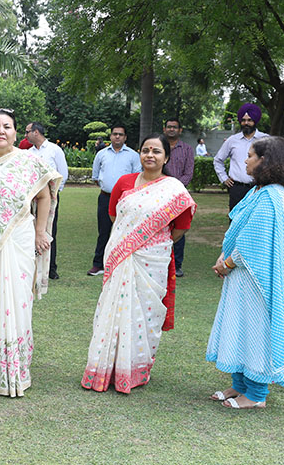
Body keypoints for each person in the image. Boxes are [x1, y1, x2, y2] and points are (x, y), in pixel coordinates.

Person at [81, 135, 196, 393]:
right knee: (112, 310)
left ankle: (135, 369)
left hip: (152, 260)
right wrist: (129, 241)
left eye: (156, 151)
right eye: (145, 150)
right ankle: (103, 368)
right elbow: (114, 216)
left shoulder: (174, 189)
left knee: (145, 314)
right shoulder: (124, 183)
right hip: (121, 256)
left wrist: (147, 240)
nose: (150, 155)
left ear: (166, 157)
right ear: (139, 154)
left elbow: (180, 228)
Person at [0, 109, 61, 397]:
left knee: (18, 301)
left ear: (17, 133)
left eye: (7, 127)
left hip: (19, 239)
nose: (1, 131)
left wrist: (41, 232)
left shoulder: (29, 161)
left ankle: (15, 367)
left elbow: (45, 196)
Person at [207, 136, 284, 409]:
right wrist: (224, 257)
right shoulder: (258, 190)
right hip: (242, 274)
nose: (245, 160)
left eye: (250, 155)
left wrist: (227, 263)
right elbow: (238, 230)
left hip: (257, 277)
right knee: (238, 325)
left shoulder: (273, 194)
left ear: (265, 161)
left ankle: (256, 393)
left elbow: (254, 240)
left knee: (255, 328)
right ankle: (240, 385)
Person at [88, 124, 141, 276]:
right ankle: (98, 264)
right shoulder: (102, 154)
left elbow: (137, 178)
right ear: (110, 136)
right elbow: (96, 176)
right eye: (114, 134)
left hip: (126, 200)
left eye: (120, 134)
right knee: (103, 232)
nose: (117, 137)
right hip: (105, 197)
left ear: (125, 138)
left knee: (125, 232)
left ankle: (123, 264)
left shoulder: (133, 155)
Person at [26, 122, 69, 280]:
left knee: (49, 230)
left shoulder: (54, 150)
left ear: (36, 132)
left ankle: (51, 268)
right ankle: (33, 264)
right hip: (31, 198)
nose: (26, 135)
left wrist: (55, 193)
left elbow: (62, 172)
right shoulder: (28, 153)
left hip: (50, 197)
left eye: (28, 132)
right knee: (32, 229)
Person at [214, 103, 269, 210]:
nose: (246, 123)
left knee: (257, 221)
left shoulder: (265, 139)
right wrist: (224, 178)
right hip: (237, 189)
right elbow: (218, 160)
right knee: (235, 221)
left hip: (259, 188)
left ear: (255, 121)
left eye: (249, 120)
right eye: (243, 120)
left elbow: (274, 162)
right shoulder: (232, 140)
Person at [163, 118, 195, 277]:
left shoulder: (187, 149)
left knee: (179, 229)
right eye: (169, 127)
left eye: (174, 127)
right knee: (160, 228)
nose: (171, 130)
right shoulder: (159, 147)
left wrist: (174, 188)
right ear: (164, 129)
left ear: (180, 130)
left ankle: (177, 265)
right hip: (159, 194)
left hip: (179, 196)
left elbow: (188, 173)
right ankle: (160, 261)